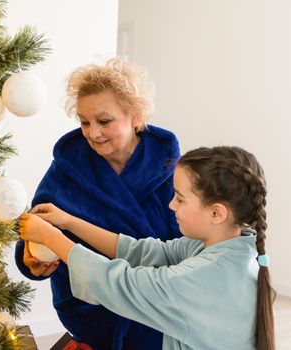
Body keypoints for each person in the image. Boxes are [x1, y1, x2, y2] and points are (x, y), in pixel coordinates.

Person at [19, 146, 276, 350]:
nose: (171, 205)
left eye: (180, 198)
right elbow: (148, 253)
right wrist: (69, 222)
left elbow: (122, 284)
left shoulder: (206, 277)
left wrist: (53, 239)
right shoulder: (234, 246)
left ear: (217, 213)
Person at [14, 58, 182, 349]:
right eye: (84, 122)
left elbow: (187, 249)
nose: (93, 133)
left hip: (156, 317)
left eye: (104, 121)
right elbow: (36, 229)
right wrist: (30, 259)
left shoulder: (171, 169)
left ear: (135, 115)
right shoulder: (68, 168)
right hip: (90, 316)